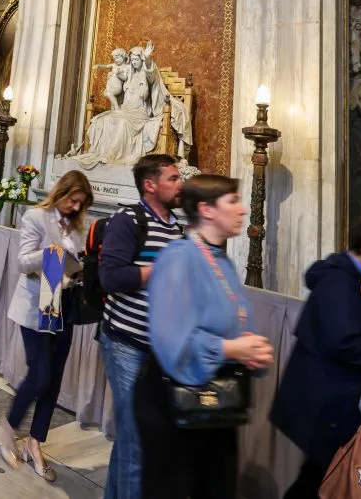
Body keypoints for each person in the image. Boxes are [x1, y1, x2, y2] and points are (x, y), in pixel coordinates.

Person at [135, 174, 274, 498]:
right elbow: (171, 340)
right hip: (175, 405)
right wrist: (231, 348)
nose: (243, 210)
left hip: (214, 403)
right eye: (233, 201)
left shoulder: (220, 259)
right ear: (206, 210)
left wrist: (251, 350)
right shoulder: (180, 257)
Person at [270, 215, 361, 499]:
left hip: (328, 398)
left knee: (319, 478)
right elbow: (344, 342)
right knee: (320, 480)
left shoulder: (351, 276)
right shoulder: (339, 281)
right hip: (325, 401)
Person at [98, 153, 184, 499]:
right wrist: (163, 270)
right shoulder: (128, 219)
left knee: (132, 438)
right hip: (125, 344)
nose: (181, 184)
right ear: (151, 185)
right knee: (138, 443)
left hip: (158, 347)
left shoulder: (176, 227)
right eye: (174, 179)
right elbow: (111, 277)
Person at [0, 170, 94, 481]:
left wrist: (78, 271)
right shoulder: (36, 217)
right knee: (39, 376)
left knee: (53, 379)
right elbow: (22, 262)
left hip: (63, 301)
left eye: (81, 203)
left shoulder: (80, 225)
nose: (75, 207)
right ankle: (9, 426)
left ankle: (35, 443)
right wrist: (51, 254)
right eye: (72, 200)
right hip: (37, 300)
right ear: (62, 193)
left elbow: (76, 260)